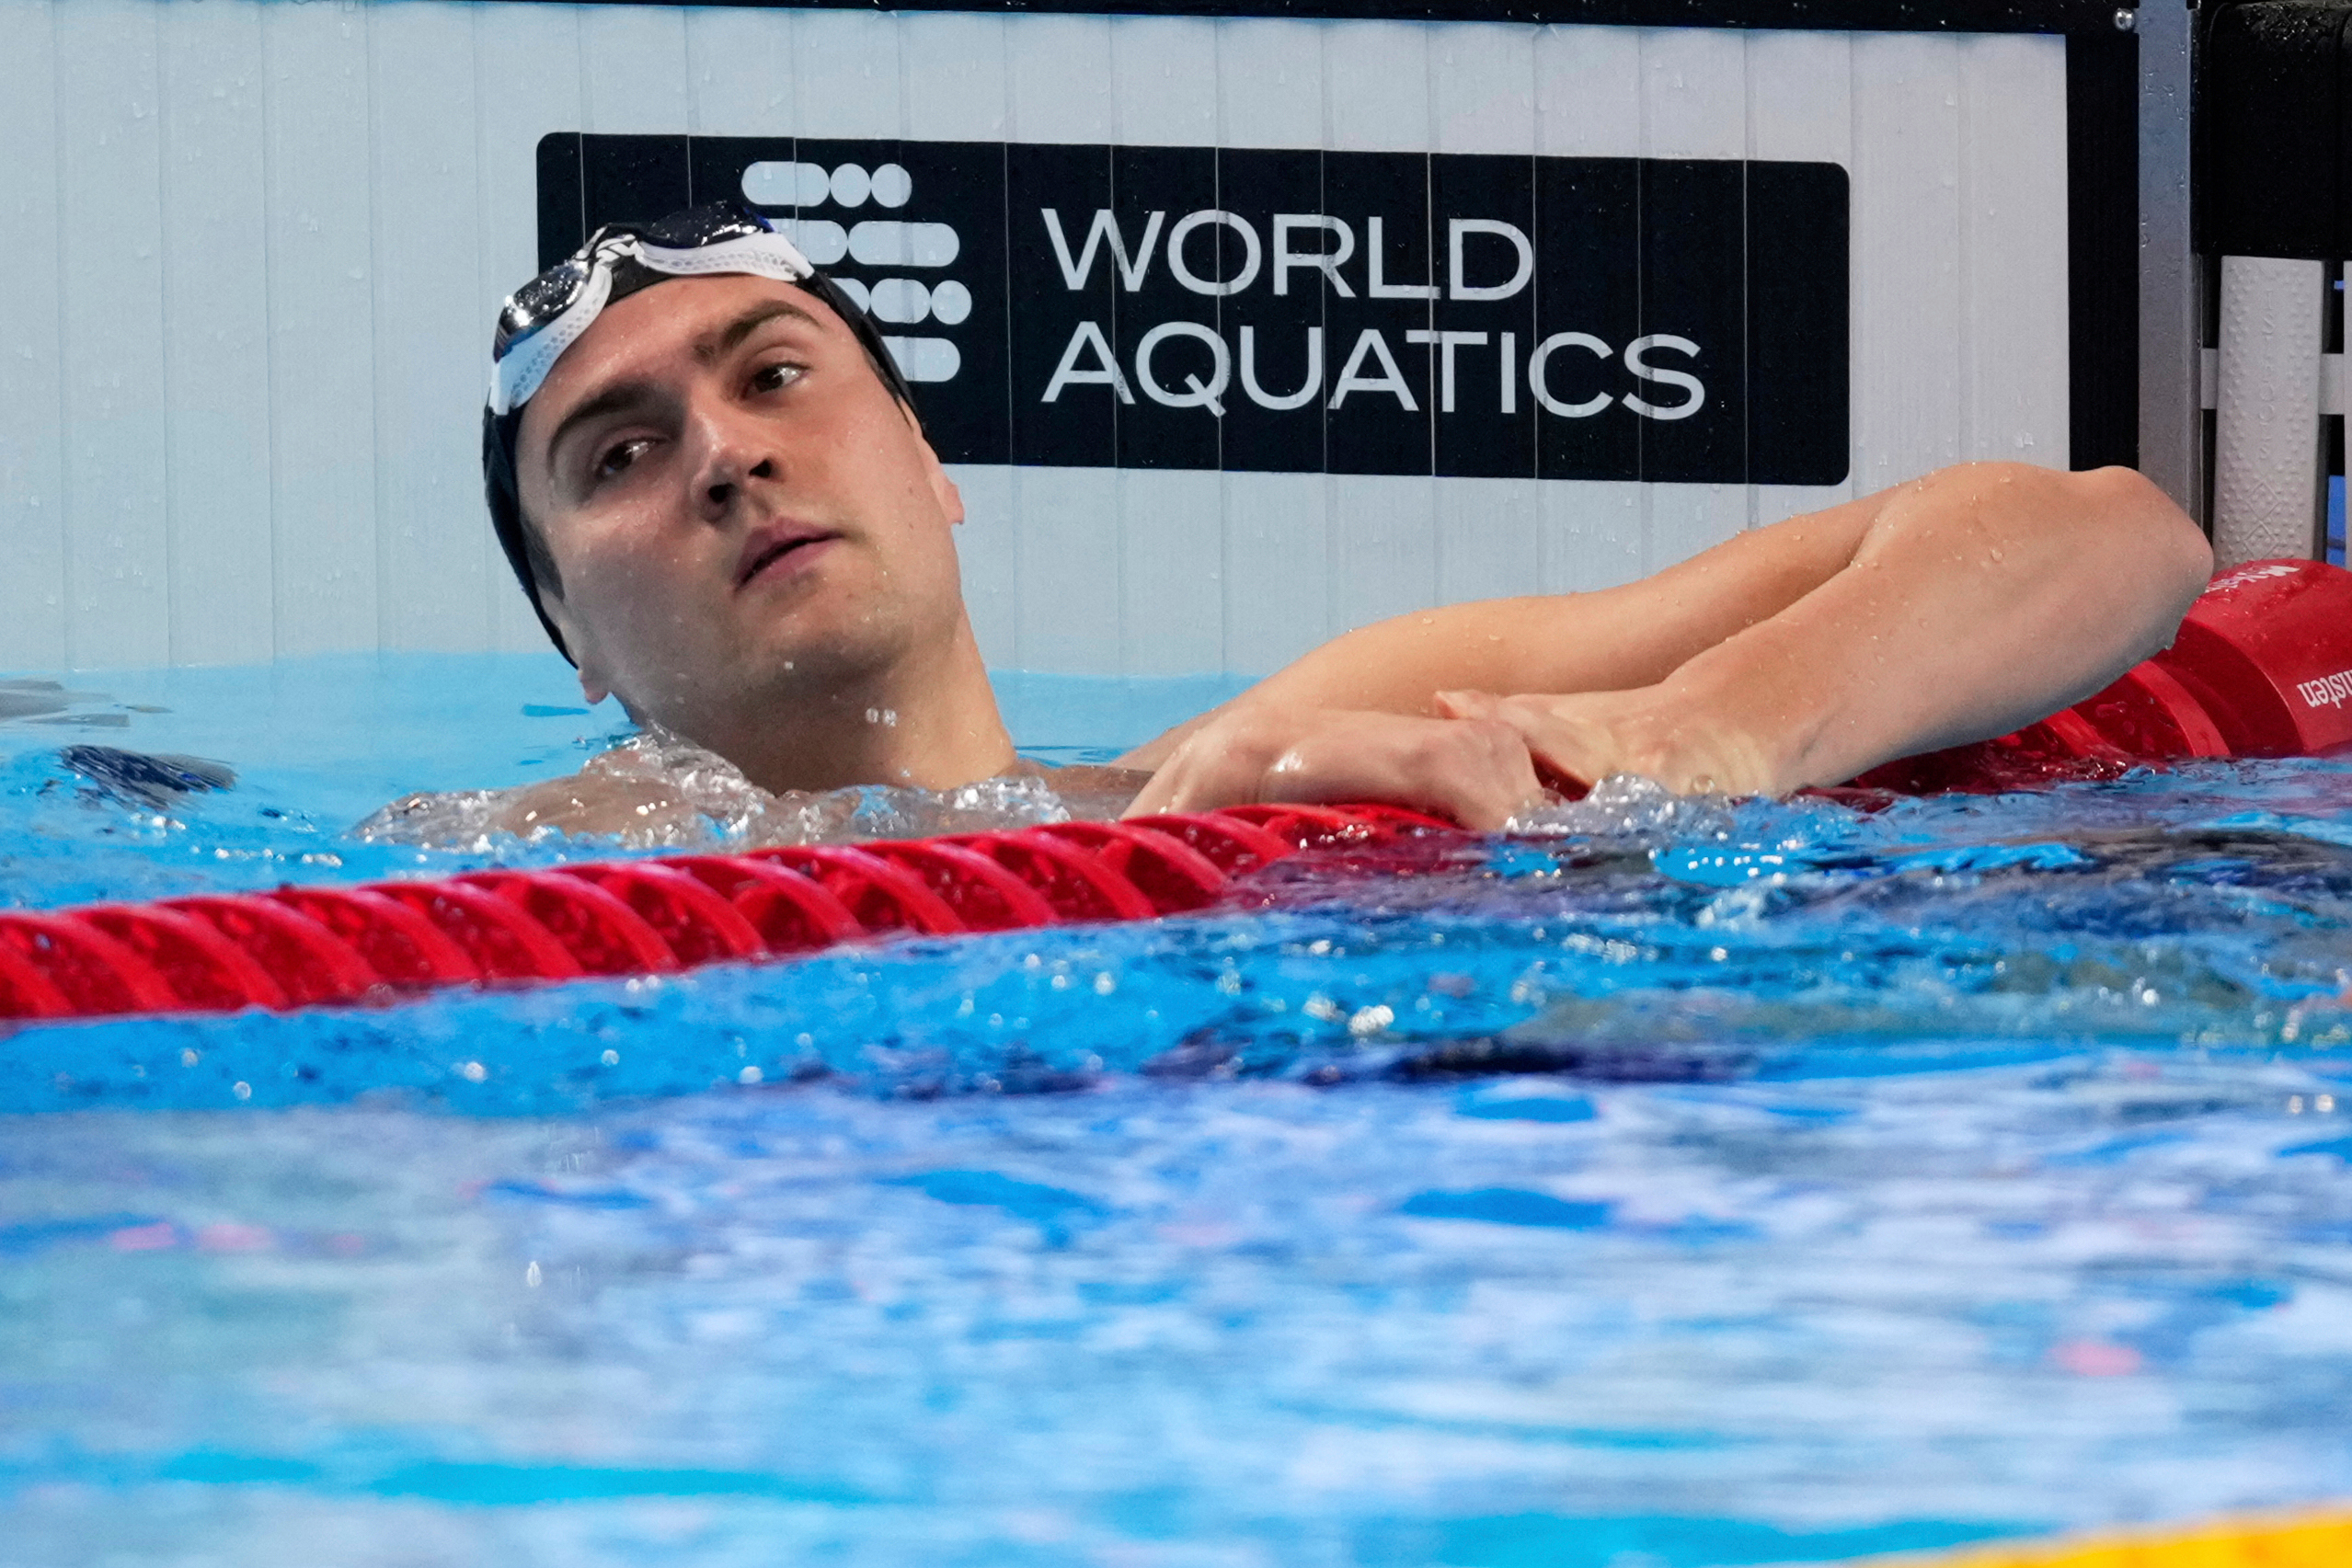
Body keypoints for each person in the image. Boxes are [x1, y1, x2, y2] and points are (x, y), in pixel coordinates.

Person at [418, 202, 2211, 842]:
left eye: (776, 374)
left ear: (928, 457)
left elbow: (2108, 537)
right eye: (619, 454)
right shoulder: (543, 857)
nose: (725, 454)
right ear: (569, 633)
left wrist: (1693, 729)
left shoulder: (1288, 738)